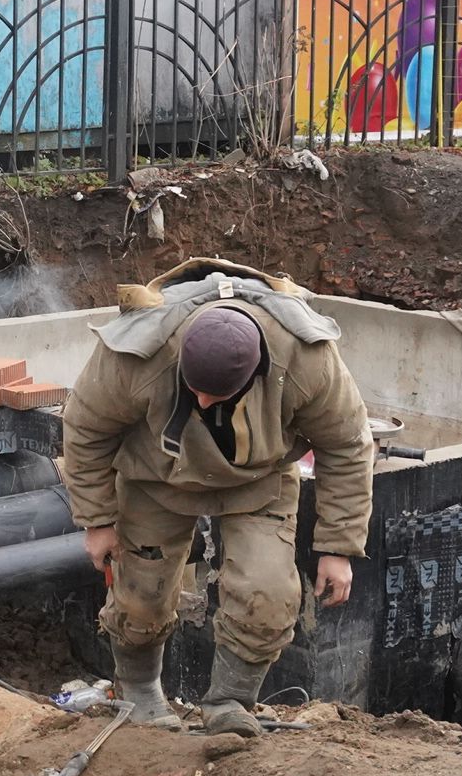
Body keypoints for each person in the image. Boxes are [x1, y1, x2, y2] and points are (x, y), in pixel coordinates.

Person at [60, 258, 374, 737]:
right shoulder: (136, 353)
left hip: (260, 479)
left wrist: (338, 548)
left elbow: (348, 447)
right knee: (141, 595)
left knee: (267, 594)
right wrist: (98, 520)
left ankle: (230, 702)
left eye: (218, 395)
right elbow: (84, 430)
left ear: (259, 370)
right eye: (194, 391)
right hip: (155, 477)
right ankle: (139, 689)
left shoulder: (307, 360)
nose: (203, 403)